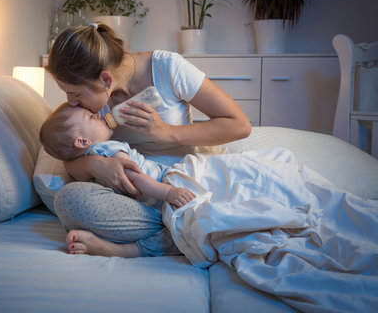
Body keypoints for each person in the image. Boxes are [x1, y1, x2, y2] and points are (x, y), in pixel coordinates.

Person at [45, 22, 251, 258]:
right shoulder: (85, 111)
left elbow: (239, 124)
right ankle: (190, 227)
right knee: (68, 199)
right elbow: (70, 159)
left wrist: (167, 132)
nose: (70, 102)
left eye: (75, 93)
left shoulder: (167, 68)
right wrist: (96, 165)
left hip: (176, 184)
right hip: (134, 196)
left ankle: (180, 227)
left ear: (106, 80)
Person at [39, 103, 196, 211]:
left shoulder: (89, 163)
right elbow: (135, 177)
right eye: (91, 117)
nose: (98, 115)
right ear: (82, 141)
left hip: (151, 198)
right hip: (162, 182)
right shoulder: (107, 148)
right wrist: (169, 193)